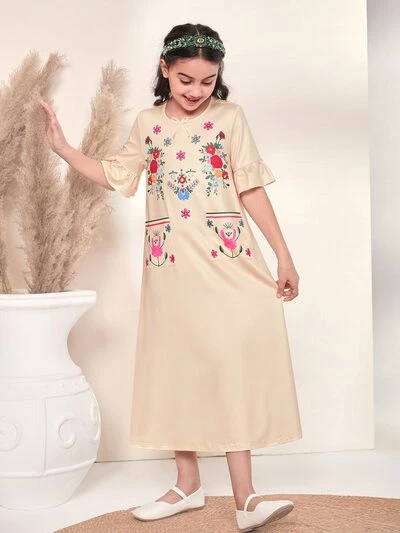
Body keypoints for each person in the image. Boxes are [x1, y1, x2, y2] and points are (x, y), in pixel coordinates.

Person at [40, 22, 303, 533]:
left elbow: (250, 188)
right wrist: (65, 150)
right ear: (165, 69)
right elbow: (118, 175)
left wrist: (283, 256)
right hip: (171, 269)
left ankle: (246, 498)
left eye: (207, 81)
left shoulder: (230, 118)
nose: (196, 90)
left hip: (228, 261)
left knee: (232, 365)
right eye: (185, 79)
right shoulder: (147, 123)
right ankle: (187, 485)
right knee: (178, 364)